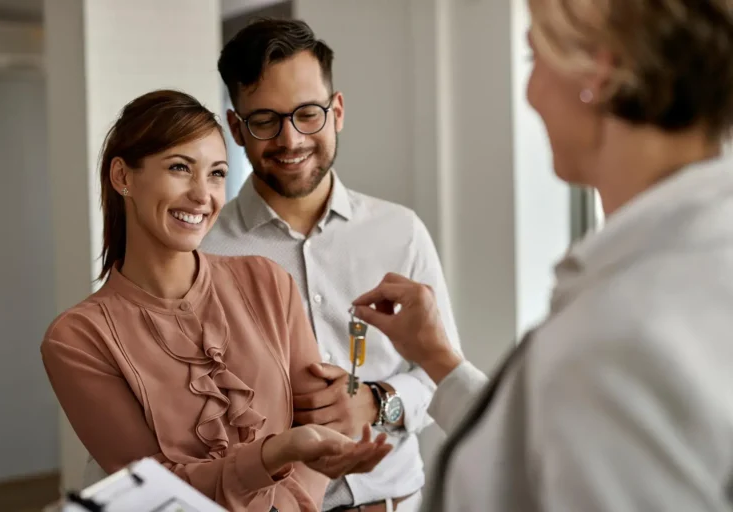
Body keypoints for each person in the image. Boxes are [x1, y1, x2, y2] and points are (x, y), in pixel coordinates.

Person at [352, 0, 733, 510]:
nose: (530, 95)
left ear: (598, 70)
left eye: (534, 59)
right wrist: (439, 360)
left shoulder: (624, 334)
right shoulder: (692, 262)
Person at [40, 90, 392, 512]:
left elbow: (316, 426)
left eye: (217, 174)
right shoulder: (78, 338)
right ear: (123, 177)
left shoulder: (267, 281)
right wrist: (275, 453)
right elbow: (152, 490)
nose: (202, 195)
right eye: (179, 168)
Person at [200, 17, 472, 512]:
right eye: (265, 120)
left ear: (337, 110)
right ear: (236, 129)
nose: (290, 140)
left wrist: (376, 401)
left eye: (308, 113)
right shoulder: (203, 251)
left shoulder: (400, 230)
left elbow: (440, 370)